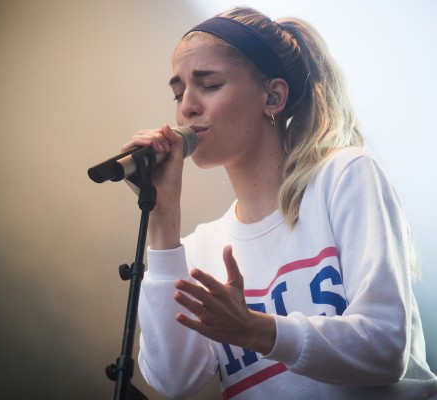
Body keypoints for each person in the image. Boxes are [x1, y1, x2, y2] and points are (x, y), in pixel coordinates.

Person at [121, 6, 437, 400]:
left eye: (209, 84)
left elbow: (384, 347)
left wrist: (255, 329)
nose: (186, 106)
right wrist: (163, 218)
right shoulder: (201, 248)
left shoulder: (343, 176)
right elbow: (173, 381)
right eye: (178, 91)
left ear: (273, 95)